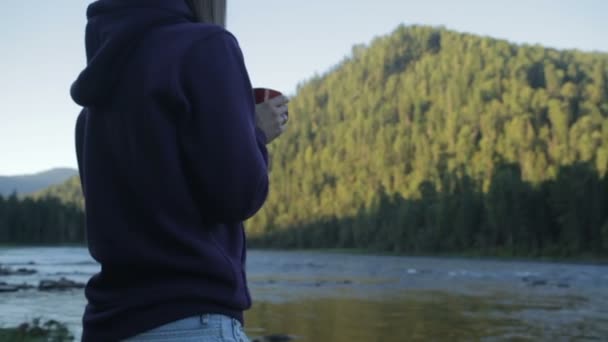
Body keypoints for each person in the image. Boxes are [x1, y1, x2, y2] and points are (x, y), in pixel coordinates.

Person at [71, 0, 289, 341]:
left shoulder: (98, 92)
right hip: (191, 319)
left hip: (107, 323)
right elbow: (238, 195)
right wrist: (256, 132)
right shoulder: (207, 46)